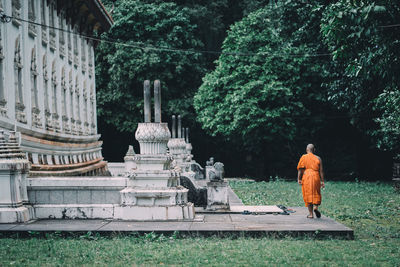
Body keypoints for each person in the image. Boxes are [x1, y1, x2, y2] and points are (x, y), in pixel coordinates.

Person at [297, 144, 325, 218]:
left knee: (308, 193)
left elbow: (300, 169)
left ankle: (311, 214)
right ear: (314, 150)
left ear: (307, 150)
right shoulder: (318, 158)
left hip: (307, 176)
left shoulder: (304, 157)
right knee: (316, 192)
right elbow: (321, 171)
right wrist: (322, 181)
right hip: (316, 176)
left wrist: (299, 179)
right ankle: (316, 207)